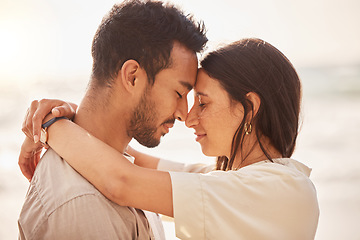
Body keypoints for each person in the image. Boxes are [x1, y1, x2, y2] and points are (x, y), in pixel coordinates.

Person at [20, 38, 319, 239]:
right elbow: (130, 159)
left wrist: (49, 125)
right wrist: (75, 115)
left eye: (202, 102)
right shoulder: (230, 181)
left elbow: (122, 181)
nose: (188, 117)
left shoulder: (280, 190)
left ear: (249, 108)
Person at [17, 0, 207, 239]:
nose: (183, 113)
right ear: (132, 77)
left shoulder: (130, 175)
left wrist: (53, 125)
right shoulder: (82, 207)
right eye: (179, 94)